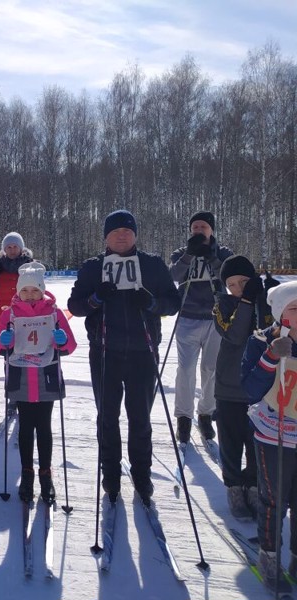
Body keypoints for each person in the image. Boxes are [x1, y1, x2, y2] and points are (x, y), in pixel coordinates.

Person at [68, 210, 180, 504]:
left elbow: (173, 302)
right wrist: (96, 299)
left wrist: (152, 303)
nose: (121, 235)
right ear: (105, 236)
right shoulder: (94, 267)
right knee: (107, 417)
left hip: (143, 352)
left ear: (135, 235)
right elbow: (75, 306)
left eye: (127, 231)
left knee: (140, 417)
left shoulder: (152, 264)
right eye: (115, 231)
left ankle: (142, 474)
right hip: (105, 351)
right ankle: (111, 474)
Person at [0, 262, 77, 504]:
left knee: (44, 427)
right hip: (21, 377)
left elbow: (69, 346)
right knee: (25, 427)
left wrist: (61, 341)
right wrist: (3, 340)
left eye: (35, 290)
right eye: (25, 291)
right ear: (18, 291)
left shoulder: (54, 313)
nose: (30, 295)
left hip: (46, 376)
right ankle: (27, 471)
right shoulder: (10, 313)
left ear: (42, 290)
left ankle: (45, 473)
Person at [241, 281, 297, 594]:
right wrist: (271, 358)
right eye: (294, 308)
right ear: (280, 314)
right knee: (275, 499)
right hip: (274, 434)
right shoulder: (261, 341)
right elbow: (248, 389)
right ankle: (269, 555)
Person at [213, 255, 275, 520]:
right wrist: (248, 301)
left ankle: (252, 486)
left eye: (244, 282)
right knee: (230, 441)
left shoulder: (265, 302)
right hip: (228, 386)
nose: (238, 288)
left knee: (255, 443)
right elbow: (236, 335)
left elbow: (269, 332)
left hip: (258, 388)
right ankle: (234, 488)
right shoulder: (222, 306)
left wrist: (270, 298)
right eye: (233, 284)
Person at [169, 211, 233, 442]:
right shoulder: (181, 252)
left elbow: (229, 278)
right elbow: (173, 275)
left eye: (203, 227)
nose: (198, 230)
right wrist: (189, 254)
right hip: (187, 318)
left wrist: (211, 258)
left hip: (216, 318)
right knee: (185, 370)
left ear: (212, 230)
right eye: (195, 227)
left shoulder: (224, 252)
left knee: (211, 369)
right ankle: (183, 418)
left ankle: (206, 413)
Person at [0, 232, 35, 322]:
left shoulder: (29, 266)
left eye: (15, 247)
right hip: (3, 316)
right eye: (9, 247)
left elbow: (38, 293)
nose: (12, 250)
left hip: (25, 315)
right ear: (5, 249)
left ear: (21, 248)